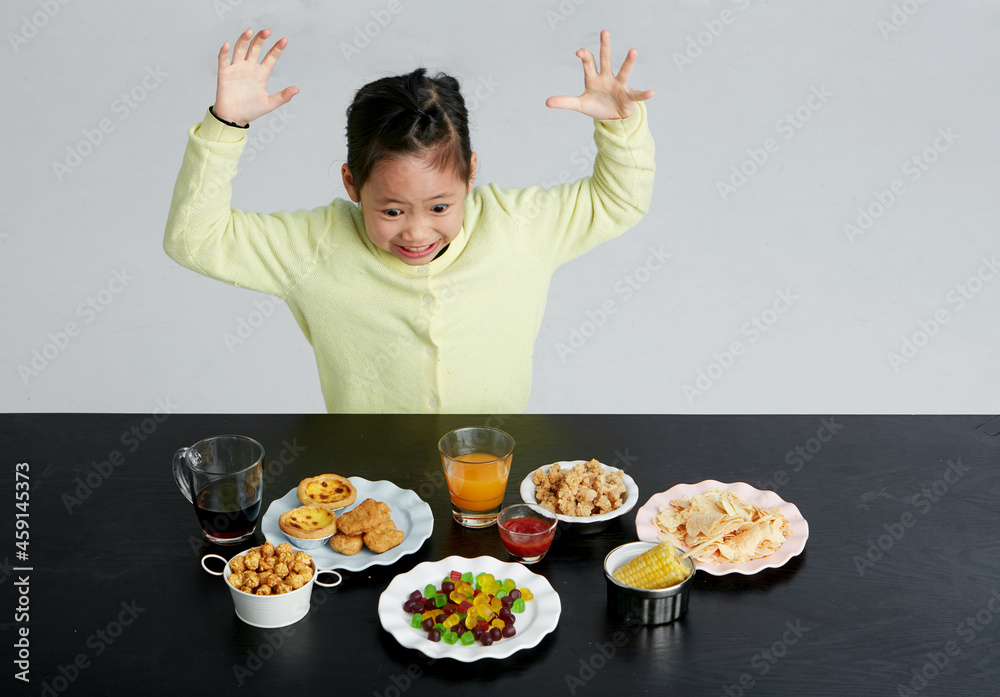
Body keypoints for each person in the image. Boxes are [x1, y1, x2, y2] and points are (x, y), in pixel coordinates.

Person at [164, 28, 654, 413]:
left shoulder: (517, 226)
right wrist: (224, 129)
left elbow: (618, 201)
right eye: (392, 211)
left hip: (494, 476)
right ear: (352, 184)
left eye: (440, 207)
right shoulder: (316, 246)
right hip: (369, 483)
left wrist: (619, 128)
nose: (417, 232)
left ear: (470, 176)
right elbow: (194, 240)